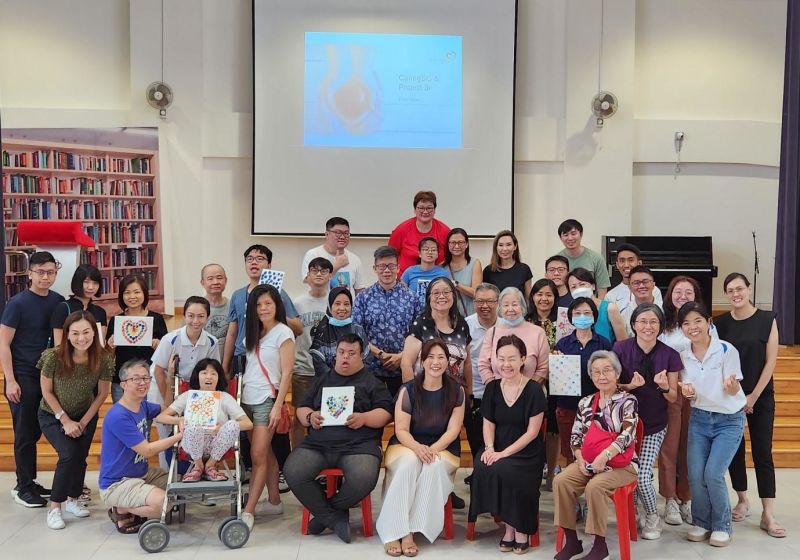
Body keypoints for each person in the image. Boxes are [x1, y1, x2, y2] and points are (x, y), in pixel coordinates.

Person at [285, 334, 393, 543]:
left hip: (359, 446)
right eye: (341, 353)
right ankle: (333, 517)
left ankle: (325, 515)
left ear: (361, 356)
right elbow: (302, 408)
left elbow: (386, 413)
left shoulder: (372, 382)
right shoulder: (322, 380)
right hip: (318, 445)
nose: (345, 358)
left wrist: (364, 418)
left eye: (351, 354)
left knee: (364, 477)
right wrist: (310, 417)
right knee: (293, 470)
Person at [376, 339, 466, 557]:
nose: (436, 362)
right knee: (408, 464)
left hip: (443, 446)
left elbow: (453, 430)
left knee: (433, 466)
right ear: (422, 361)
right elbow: (402, 430)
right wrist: (418, 448)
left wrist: (432, 449)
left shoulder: (457, 391)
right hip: (408, 444)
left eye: (441, 357)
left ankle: (410, 532)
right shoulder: (408, 390)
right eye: (430, 357)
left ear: (448, 361)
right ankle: (392, 531)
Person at [716, 273, 785, 537]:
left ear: (749, 289)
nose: (735, 294)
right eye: (730, 290)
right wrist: (735, 395)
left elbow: (770, 361)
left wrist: (754, 395)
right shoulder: (721, 324)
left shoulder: (767, 319)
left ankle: (768, 513)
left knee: (762, 452)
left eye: (739, 289)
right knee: (734, 451)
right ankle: (742, 499)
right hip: (731, 396)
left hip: (761, 395)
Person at [553, 350, 639, 560]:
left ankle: (600, 547)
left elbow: (628, 434)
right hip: (589, 461)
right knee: (561, 481)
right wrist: (580, 459)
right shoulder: (585, 402)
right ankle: (572, 542)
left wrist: (604, 456)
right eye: (596, 372)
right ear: (590, 376)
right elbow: (576, 436)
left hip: (621, 465)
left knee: (595, 486)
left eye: (607, 370)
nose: (602, 376)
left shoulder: (628, 401)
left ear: (617, 373)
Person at [468, 334, 546, 555]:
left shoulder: (533, 391)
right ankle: (510, 528)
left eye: (511, 359)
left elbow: (532, 433)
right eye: (501, 359)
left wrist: (503, 454)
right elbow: (488, 424)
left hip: (526, 451)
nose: (506, 364)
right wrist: (491, 448)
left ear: (523, 359)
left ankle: (520, 529)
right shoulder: (492, 388)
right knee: (484, 465)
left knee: (508, 469)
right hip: (497, 445)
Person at [678, 301, 746, 547]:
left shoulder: (727, 350)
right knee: (695, 474)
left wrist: (733, 386)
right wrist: (686, 391)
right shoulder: (683, 355)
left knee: (713, 473)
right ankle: (701, 522)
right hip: (700, 419)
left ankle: (722, 525)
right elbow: (689, 390)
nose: (692, 327)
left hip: (729, 420)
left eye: (698, 321)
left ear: (709, 322)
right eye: (686, 323)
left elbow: (734, 385)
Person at [38, 311, 113, 529]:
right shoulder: (53, 356)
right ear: (67, 334)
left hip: (85, 414)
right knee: (68, 454)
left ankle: (73, 498)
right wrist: (65, 420)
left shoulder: (104, 358)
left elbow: (102, 393)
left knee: (80, 457)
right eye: (76, 333)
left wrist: (83, 421)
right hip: (52, 414)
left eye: (87, 332)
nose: (82, 338)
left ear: (94, 333)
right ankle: (54, 507)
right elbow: (46, 391)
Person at [1, 250, 64, 508]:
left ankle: (31, 480)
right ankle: (22, 486)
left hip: (47, 377)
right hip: (23, 376)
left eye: (50, 272)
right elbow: (4, 344)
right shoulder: (17, 303)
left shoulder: (58, 301)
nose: (45, 277)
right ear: (30, 273)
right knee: (24, 433)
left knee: (38, 430)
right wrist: (10, 380)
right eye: (40, 272)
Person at [613, 303, 681, 539]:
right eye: (642, 321)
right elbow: (612, 386)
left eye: (653, 322)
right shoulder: (620, 349)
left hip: (654, 424)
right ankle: (632, 511)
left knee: (642, 476)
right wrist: (629, 386)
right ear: (633, 324)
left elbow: (673, 396)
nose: (647, 326)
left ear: (661, 326)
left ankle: (652, 515)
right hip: (626, 426)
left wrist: (663, 387)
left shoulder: (670, 354)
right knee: (629, 472)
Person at [99, 359, 182, 534]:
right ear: (123, 385)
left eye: (146, 378)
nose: (142, 383)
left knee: (179, 488)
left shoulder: (142, 405)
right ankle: (121, 509)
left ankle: (131, 504)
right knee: (163, 504)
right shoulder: (118, 415)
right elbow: (147, 450)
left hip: (141, 475)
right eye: (136, 379)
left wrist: (169, 380)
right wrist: (180, 436)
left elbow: (167, 409)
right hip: (118, 483)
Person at [657, 275, 714, 526]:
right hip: (670, 390)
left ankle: (686, 498)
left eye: (688, 292)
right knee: (669, 446)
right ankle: (669, 499)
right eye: (678, 292)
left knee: (690, 447)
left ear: (696, 296)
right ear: (670, 295)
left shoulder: (705, 324)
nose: (683, 296)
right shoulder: (663, 323)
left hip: (697, 392)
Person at [240, 284, 295, 530]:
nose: (263, 308)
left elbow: (287, 373)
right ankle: (274, 501)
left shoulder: (284, 333)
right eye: (258, 304)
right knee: (265, 453)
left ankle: (248, 511)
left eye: (268, 304)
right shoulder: (253, 333)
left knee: (257, 455)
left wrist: (278, 405)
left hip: (266, 399)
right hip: (247, 400)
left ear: (277, 306)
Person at [155, 359, 253, 482]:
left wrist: (222, 426)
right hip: (192, 442)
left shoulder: (225, 397)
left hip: (216, 444)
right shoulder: (188, 396)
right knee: (193, 424)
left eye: (213, 374)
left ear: (218, 378)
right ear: (197, 376)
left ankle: (210, 465)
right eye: (204, 373)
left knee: (233, 425)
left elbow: (248, 423)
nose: (209, 377)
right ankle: (198, 466)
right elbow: (160, 417)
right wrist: (180, 419)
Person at [222, 244, 302, 377]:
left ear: (269, 265)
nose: (254, 262)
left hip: (268, 357)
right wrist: (225, 366)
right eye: (249, 259)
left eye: (260, 258)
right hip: (241, 355)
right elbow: (232, 333)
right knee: (238, 396)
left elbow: (298, 329)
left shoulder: (279, 294)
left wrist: (275, 312)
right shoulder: (237, 295)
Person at [352, 246, 422, 396]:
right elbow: (357, 333)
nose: (387, 270)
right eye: (382, 266)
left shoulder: (412, 298)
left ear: (398, 267)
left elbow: (419, 333)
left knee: (402, 412)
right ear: (374, 268)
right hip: (370, 368)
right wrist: (380, 354)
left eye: (391, 266)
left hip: (403, 368)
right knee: (372, 414)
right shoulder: (363, 298)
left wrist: (402, 356)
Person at [553, 298, 613, 464]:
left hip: (597, 407)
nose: (582, 317)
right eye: (577, 313)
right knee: (571, 453)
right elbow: (557, 378)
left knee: (595, 451)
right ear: (571, 317)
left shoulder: (604, 343)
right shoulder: (562, 344)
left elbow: (610, 373)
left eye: (587, 313)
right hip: (568, 406)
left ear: (594, 316)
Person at [401, 278, 472, 389]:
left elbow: (467, 363)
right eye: (436, 292)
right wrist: (413, 397)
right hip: (424, 395)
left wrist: (470, 393)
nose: (442, 296)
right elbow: (406, 365)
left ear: (453, 295)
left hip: (457, 395)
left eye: (446, 292)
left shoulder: (462, 324)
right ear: (428, 298)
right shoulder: (419, 325)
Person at [106, 274, 168, 402]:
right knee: (123, 419)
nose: (132, 296)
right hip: (122, 381)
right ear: (122, 296)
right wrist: (110, 346)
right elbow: (109, 356)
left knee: (147, 419)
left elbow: (166, 354)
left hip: (148, 380)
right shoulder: (116, 321)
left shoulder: (156, 319)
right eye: (127, 293)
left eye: (137, 292)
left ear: (144, 293)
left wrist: (159, 345)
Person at [292, 257, 333, 446]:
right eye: (314, 270)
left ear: (331, 275)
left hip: (329, 370)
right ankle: (297, 458)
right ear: (307, 275)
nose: (319, 274)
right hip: (303, 368)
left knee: (328, 416)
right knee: (300, 417)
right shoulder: (297, 303)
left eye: (324, 270)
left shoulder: (336, 301)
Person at [151, 296, 220, 406]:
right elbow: (158, 371)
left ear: (207, 317)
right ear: (184, 316)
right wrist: (168, 401)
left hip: (192, 387)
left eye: (201, 316)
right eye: (191, 316)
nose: (195, 321)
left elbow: (212, 370)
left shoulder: (212, 342)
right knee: (166, 419)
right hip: (164, 385)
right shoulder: (170, 339)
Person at [526, 278, 561, 490]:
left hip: (558, 381)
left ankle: (552, 469)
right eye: (539, 294)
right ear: (533, 297)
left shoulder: (564, 320)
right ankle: (533, 468)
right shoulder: (525, 320)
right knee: (532, 425)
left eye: (549, 295)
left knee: (554, 428)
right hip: (531, 382)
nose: (544, 299)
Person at [478, 287, 549, 384]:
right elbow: (483, 365)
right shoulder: (492, 332)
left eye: (515, 304)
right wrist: (494, 389)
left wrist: (528, 390)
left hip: (530, 393)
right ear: (500, 308)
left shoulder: (538, 332)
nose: (510, 309)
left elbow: (543, 368)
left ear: (522, 306)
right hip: (498, 393)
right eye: (506, 305)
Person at [464, 283, 500, 463]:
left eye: (489, 301)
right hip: (475, 391)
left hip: (502, 391)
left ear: (498, 302)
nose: (484, 306)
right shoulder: (465, 325)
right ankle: (478, 474)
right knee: (475, 437)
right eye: (479, 301)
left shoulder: (507, 324)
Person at [310, 286, 369, 376]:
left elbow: (367, 359)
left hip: (357, 382)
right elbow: (319, 362)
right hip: (329, 383)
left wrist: (355, 378)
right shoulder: (322, 331)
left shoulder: (358, 329)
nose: (342, 308)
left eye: (346, 304)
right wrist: (338, 379)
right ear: (330, 306)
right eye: (337, 304)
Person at [388, 190, 450, 276]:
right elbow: (389, 256)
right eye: (421, 208)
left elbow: (450, 257)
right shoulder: (401, 230)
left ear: (435, 210)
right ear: (414, 209)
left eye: (429, 208)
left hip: (436, 282)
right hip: (405, 282)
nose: (425, 212)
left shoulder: (444, 231)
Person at [301, 217, 366, 296]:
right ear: (327, 234)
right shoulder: (313, 254)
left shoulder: (355, 259)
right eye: (338, 233)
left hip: (347, 308)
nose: (342, 237)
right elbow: (312, 284)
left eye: (346, 233)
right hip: (322, 307)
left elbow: (360, 290)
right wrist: (336, 266)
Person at [50, 263, 107, 346]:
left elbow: (100, 345)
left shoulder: (100, 312)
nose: (91, 287)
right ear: (77, 282)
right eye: (86, 282)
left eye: (95, 283)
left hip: (92, 358)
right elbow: (58, 346)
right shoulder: (63, 308)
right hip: (67, 358)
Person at [567, 268, 627, 342]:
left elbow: (623, 342)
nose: (578, 289)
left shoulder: (609, 308)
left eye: (582, 284)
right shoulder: (570, 312)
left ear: (593, 286)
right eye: (573, 287)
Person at [556, 219, 611, 298]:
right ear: (561, 238)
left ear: (581, 234)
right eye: (565, 235)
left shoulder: (596, 258)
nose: (570, 238)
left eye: (573, 234)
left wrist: (598, 308)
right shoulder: (557, 260)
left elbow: (602, 289)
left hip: (589, 306)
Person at [604, 243, 662, 313]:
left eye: (631, 260)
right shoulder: (610, 296)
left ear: (639, 263)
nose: (626, 265)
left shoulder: (653, 290)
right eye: (622, 261)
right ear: (617, 265)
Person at [401, 237, 451, 308]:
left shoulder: (444, 274)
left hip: (436, 313)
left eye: (433, 250)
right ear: (419, 253)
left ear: (437, 254)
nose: (430, 252)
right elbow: (401, 294)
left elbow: (448, 296)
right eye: (426, 249)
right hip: (413, 313)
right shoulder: (409, 272)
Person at [443, 227, 482, 317]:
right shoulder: (442, 267)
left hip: (470, 315)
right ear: (448, 245)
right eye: (453, 242)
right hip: (449, 318)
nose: (456, 246)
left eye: (460, 242)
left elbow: (476, 293)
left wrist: (456, 285)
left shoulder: (475, 263)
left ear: (467, 244)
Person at [482, 230, 533, 299]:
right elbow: (486, 298)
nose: (505, 249)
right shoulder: (488, 271)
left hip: (519, 309)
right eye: (500, 245)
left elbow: (529, 299)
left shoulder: (524, 269)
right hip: (497, 310)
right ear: (496, 248)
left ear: (515, 246)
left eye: (508, 245)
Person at [620, 266, 660, 336]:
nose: (641, 286)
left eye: (645, 282)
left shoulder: (666, 309)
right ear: (629, 287)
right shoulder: (623, 315)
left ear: (653, 285)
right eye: (636, 283)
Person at [200, 263, 231, 348]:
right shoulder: (196, 307)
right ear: (202, 282)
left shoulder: (232, 305)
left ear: (226, 280)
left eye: (219, 278)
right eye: (210, 279)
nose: (216, 282)